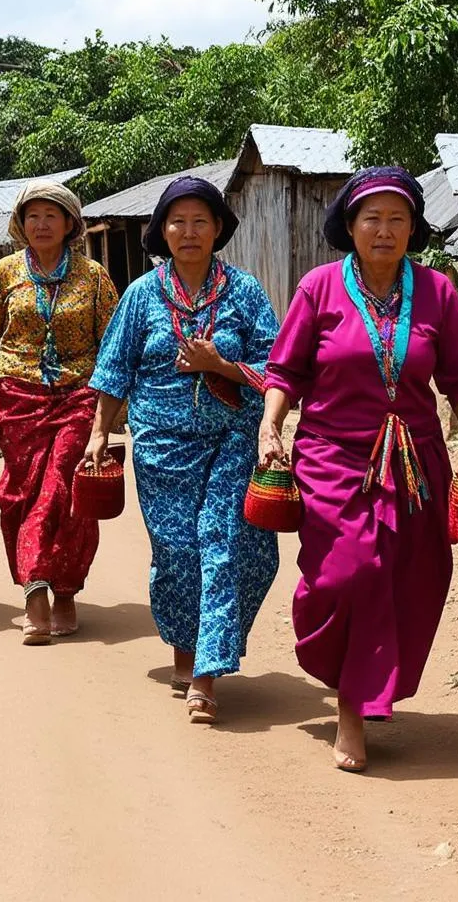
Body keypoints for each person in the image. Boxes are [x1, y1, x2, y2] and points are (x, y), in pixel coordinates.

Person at [259, 166, 458, 772]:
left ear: (413, 227)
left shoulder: (438, 291)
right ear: (350, 226)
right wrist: (271, 424)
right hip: (333, 457)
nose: (384, 231)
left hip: (416, 461)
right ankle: (350, 709)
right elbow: (285, 372)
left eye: (397, 219)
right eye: (372, 219)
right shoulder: (319, 288)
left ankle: (366, 695)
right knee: (350, 573)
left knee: (414, 576)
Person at [86, 176, 279, 723]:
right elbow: (114, 369)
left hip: (232, 438)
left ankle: (207, 673)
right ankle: (185, 647)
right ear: (161, 232)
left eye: (200, 221)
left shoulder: (245, 292)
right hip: (160, 444)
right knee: (176, 553)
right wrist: (100, 432)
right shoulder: (140, 296)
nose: (189, 231)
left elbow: (277, 369)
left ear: (219, 229)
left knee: (222, 544)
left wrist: (221, 365)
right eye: (178, 222)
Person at [0, 180, 118, 645]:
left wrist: (112, 412)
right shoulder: (3, 273)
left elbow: (112, 346)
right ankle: (36, 582)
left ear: (69, 224)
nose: (41, 224)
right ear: (21, 224)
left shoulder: (94, 276)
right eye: (32, 216)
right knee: (19, 493)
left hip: (78, 395)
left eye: (51, 216)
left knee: (64, 489)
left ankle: (56, 591)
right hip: (17, 397)